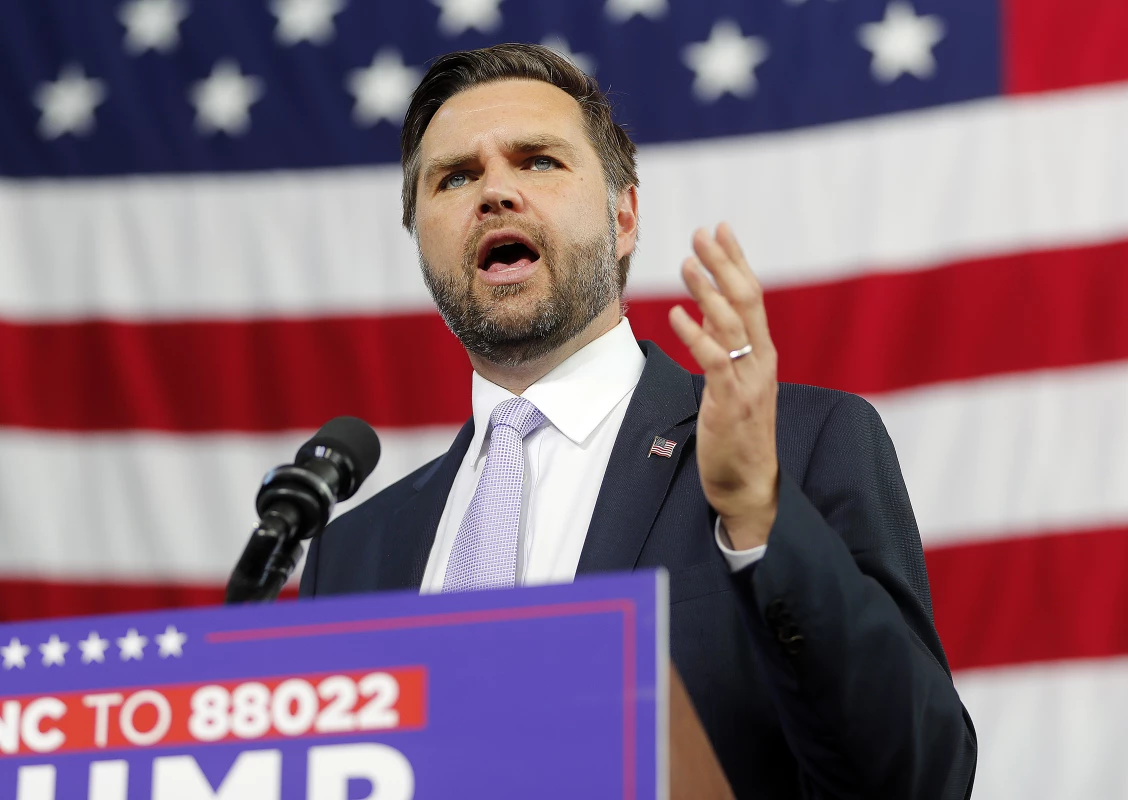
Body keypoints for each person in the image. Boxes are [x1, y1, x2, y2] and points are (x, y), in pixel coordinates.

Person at [299, 43, 977, 799]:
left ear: (624, 217)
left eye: (538, 162)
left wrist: (760, 520)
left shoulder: (800, 448)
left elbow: (920, 774)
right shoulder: (350, 557)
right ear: (421, 240)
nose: (494, 192)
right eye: (454, 177)